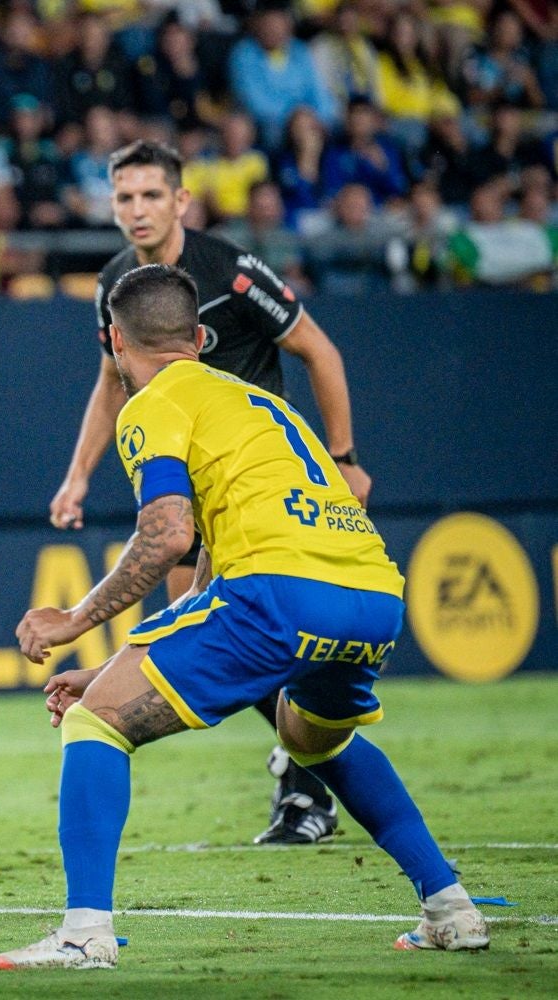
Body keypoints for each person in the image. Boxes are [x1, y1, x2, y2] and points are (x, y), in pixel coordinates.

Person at [0, 263, 490, 971]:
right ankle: (450, 908)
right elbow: (211, 589)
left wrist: (73, 619)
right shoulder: (262, 405)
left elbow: (167, 535)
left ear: (115, 342)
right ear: (199, 337)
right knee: (312, 738)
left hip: (280, 593)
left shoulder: (155, 404)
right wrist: (111, 668)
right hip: (374, 593)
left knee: (95, 721)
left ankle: (82, 933)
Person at [47, 140, 373, 846]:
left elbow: (320, 350)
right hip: (192, 486)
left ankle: (307, 776)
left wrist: (344, 457)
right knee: (198, 621)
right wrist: (77, 475)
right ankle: (305, 770)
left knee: (210, 624)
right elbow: (110, 384)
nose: (137, 210)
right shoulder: (115, 286)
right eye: (124, 198)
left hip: (256, 483)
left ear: (181, 201)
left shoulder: (228, 269)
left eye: (150, 196)